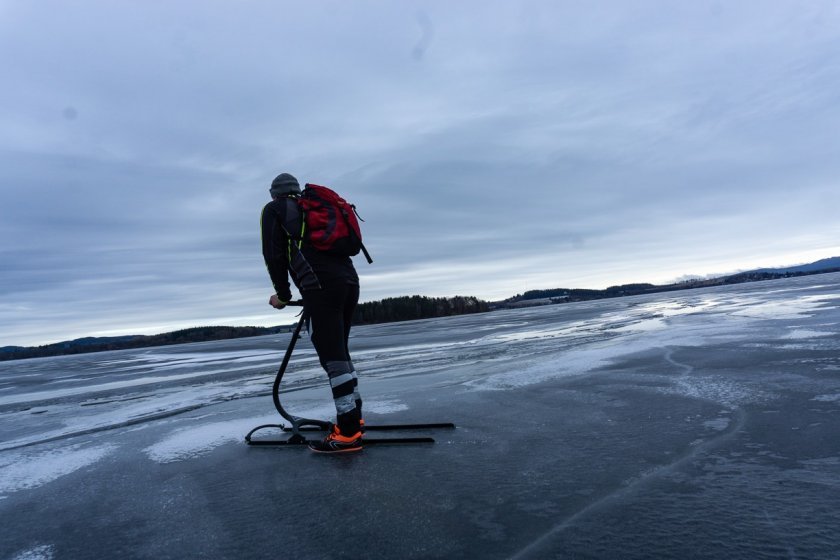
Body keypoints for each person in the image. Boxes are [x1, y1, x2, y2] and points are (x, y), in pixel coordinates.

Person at [261, 173, 364, 453]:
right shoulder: (315, 208)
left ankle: (349, 432)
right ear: (296, 191)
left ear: (274, 194)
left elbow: (274, 255)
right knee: (339, 352)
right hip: (349, 282)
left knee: (332, 357)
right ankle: (354, 418)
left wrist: (283, 296)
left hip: (320, 286)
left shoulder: (274, 210)